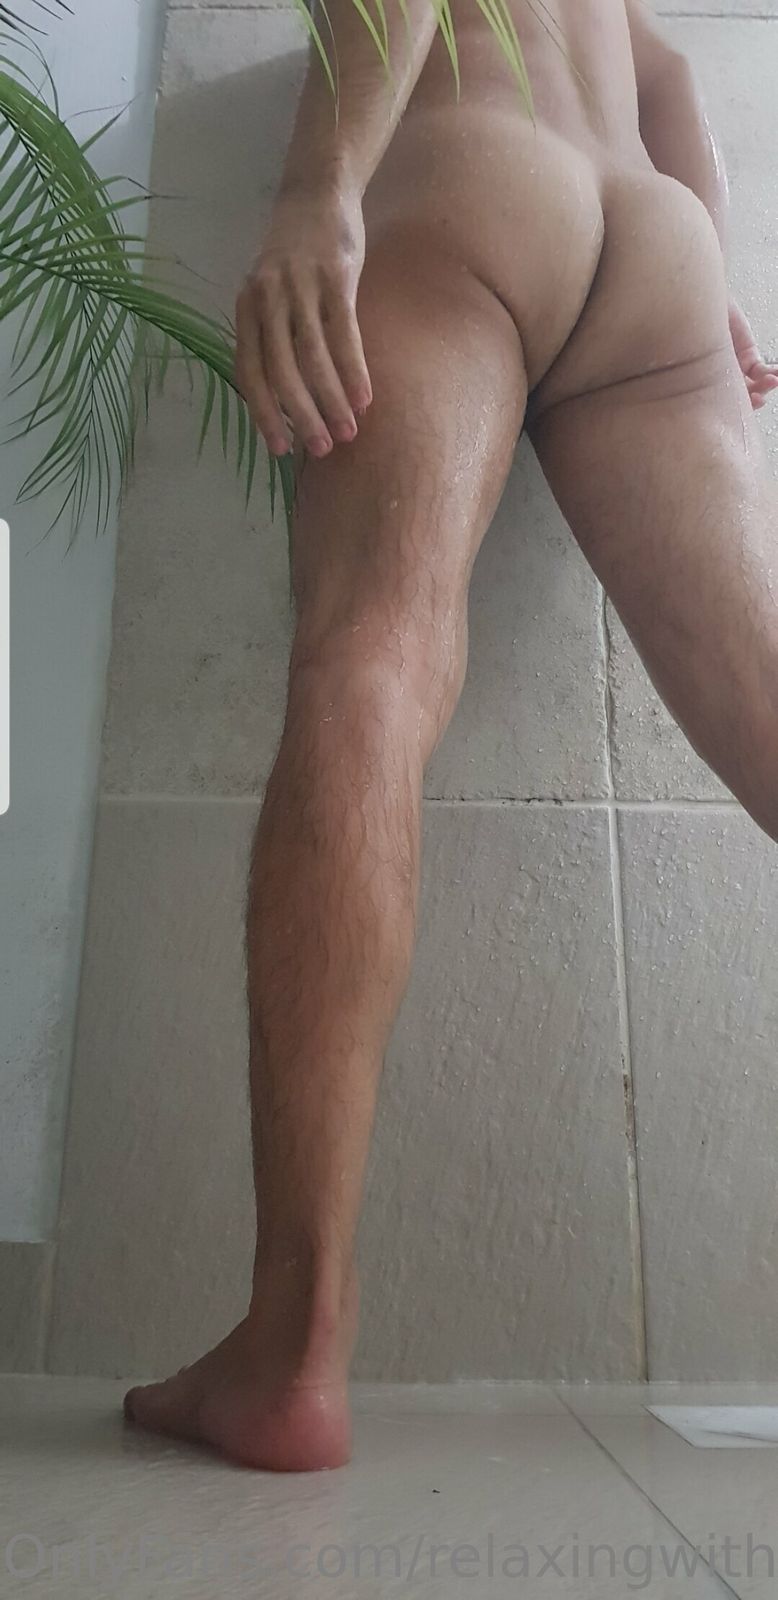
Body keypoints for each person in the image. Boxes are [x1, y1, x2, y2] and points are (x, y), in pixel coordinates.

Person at [123, 0, 778, 1471]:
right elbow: (668, 71)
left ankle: (291, 1349)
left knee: (372, 660)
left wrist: (318, 194)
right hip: (653, 232)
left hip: (476, 178)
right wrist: (714, 279)